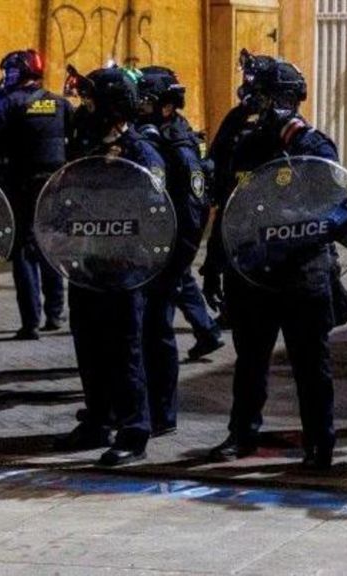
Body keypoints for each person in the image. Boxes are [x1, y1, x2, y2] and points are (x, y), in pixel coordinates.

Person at [202, 59, 344, 469]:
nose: (253, 105)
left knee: (311, 365)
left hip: (302, 272)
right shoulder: (246, 144)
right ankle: (242, 434)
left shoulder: (313, 146)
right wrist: (215, 262)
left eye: (261, 97)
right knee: (249, 363)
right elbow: (230, 208)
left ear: (283, 99)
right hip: (253, 272)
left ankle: (320, 443)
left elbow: (334, 202)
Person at [56, 66, 165, 466]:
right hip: (86, 264)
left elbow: (155, 213)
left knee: (125, 353)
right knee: (89, 348)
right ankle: (97, 420)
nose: (85, 107)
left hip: (123, 268)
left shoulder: (140, 153)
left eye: (92, 101)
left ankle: (134, 430)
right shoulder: (86, 145)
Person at [135, 66, 208, 436]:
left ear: (165, 106)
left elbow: (192, 213)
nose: (138, 108)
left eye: (145, 103)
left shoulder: (179, 148)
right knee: (141, 336)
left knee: (157, 335)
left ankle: (163, 415)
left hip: (165, 260)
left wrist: (176, 263)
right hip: (143, 256)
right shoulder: (149, 139)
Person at [0, 49, 70, 339]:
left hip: (21, 187)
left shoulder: (10, 104)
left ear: (17, 73)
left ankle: (30, 322)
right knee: (49, 245)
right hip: (55, 186)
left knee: (23, 251)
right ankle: (55, 314)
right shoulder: (60, 103)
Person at [201, 49, 275, 330]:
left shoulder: (280, 123)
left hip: (269, 207)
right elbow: (217, 155)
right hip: (235, 201)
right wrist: (214, 188)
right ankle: (232, 307)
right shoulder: (237, 117)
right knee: (225, 255)